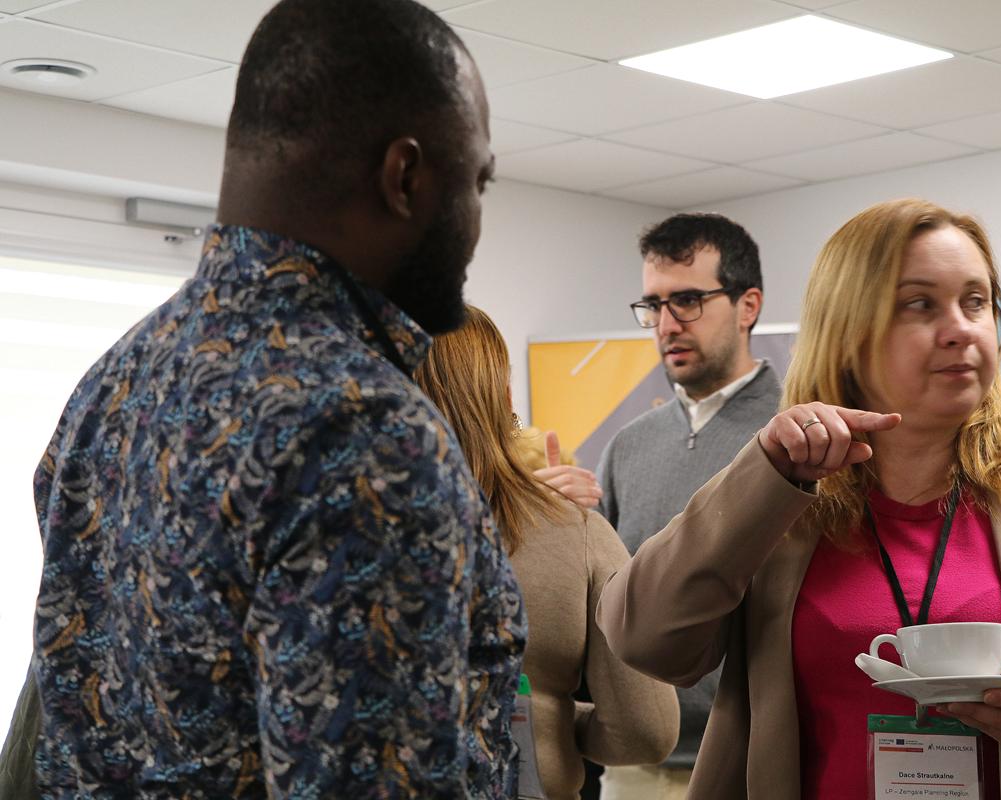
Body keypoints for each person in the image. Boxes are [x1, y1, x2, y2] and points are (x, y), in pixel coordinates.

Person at [25, 0, 525, 796]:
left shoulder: (113, 382)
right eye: (478, 181)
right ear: (404, 177)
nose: (476, 220)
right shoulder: (363, 431)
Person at [597, 197, 1001, 799]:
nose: (961, 328)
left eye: (976, 301)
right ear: (847, 333)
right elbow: (643, 640)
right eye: (919, 304)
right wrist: (761, 476)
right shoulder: (780, 507)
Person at [413, 306, 679, 800]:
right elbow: (647, 730)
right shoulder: (576, 532)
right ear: (503, 396)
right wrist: (548, 720)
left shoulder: (340, 534)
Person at [596, 213, 781, 798]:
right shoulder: (627, 446)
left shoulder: (802, 436)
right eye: (654, 305)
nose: (666, 324)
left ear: (748, 306)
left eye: (688, 301)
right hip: (636, 764)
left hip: (752, 759)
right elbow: (608, 599)